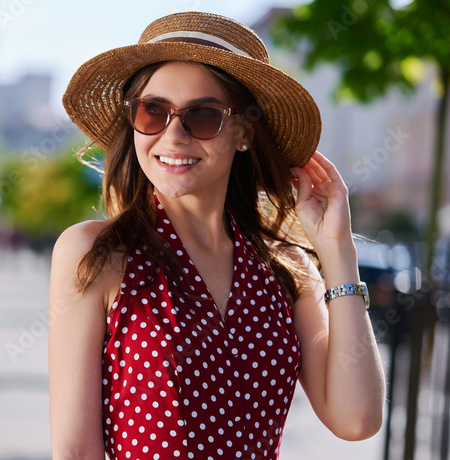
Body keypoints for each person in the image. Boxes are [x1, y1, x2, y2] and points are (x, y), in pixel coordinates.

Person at [47, 11, 386, 459]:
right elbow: (75, 453)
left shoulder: (287, 270)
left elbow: (357, 419)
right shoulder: (98, 253)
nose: (174, 135)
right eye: (153, 111)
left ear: (243, 132)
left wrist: (337, 250)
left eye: (202, 116)